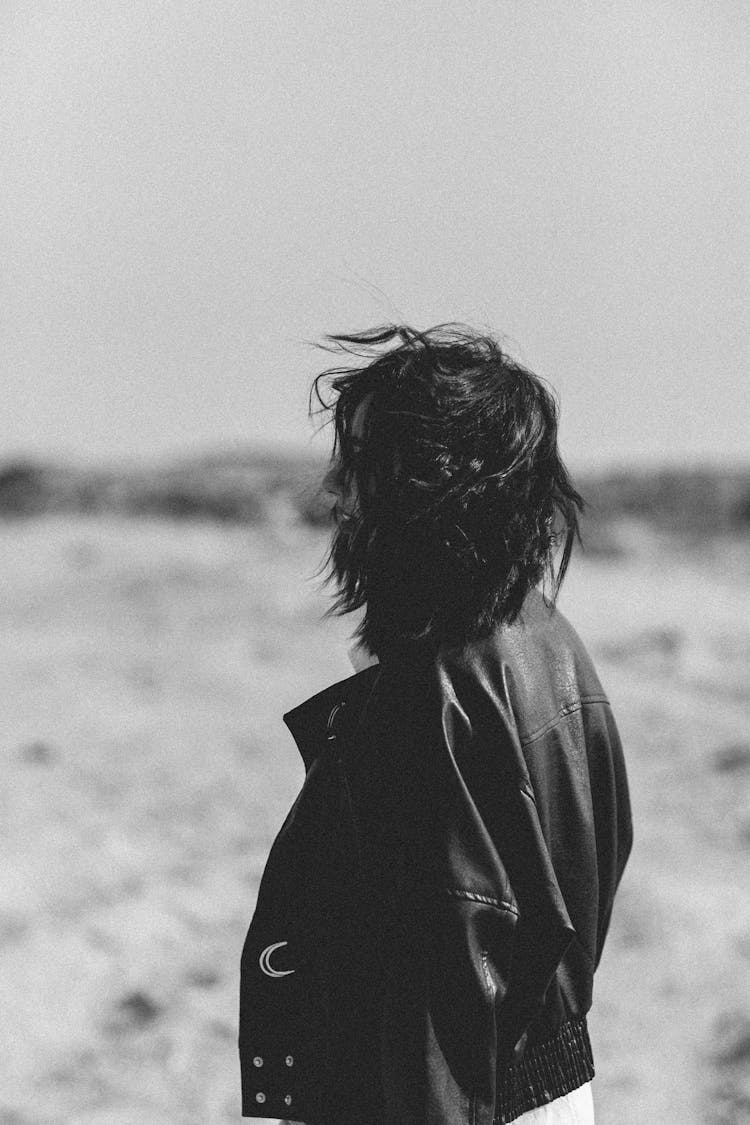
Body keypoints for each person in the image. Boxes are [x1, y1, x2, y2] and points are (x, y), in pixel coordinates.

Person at [238, 324, 633, 1125]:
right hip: (545, 1085)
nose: (335, 491)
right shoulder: (547, 637)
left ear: (426, 487)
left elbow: (440, 977)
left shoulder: (434, 697)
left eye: (360, 465)